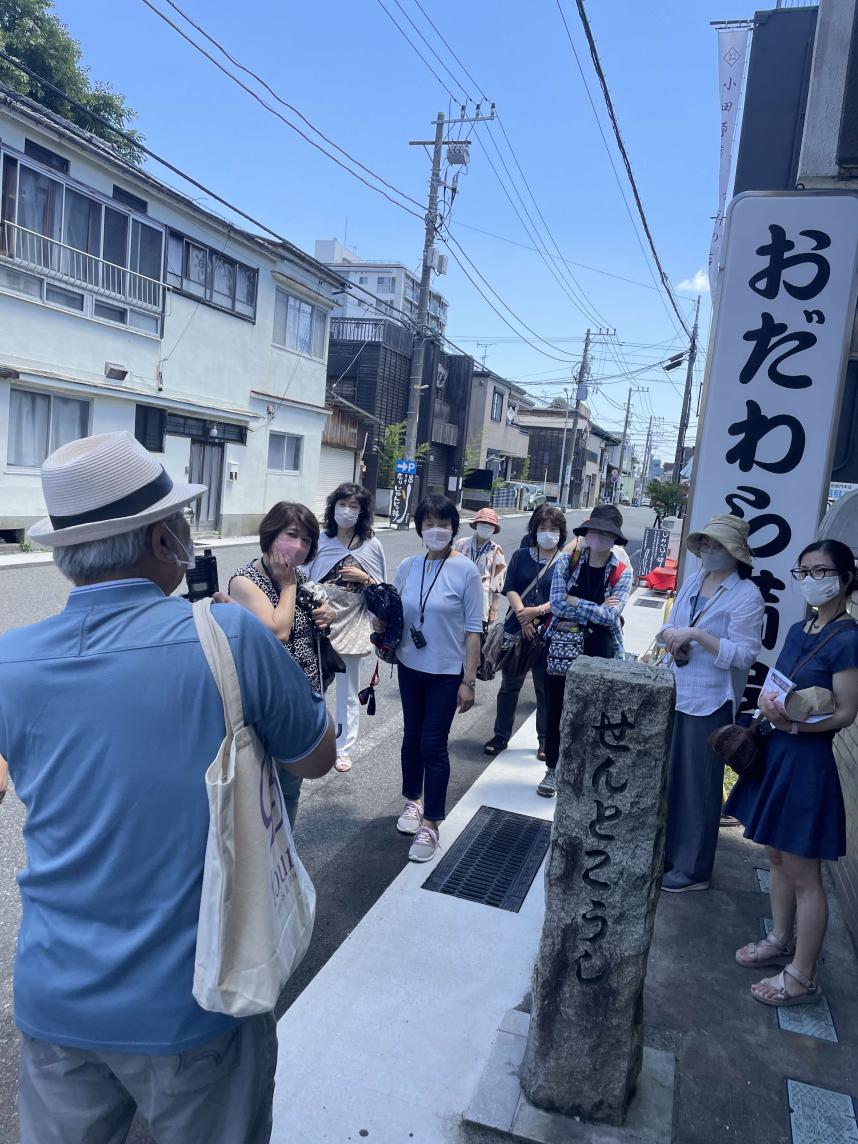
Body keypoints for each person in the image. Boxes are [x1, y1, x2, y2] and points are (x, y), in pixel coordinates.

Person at [0, 432, 335, 1144]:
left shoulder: (9, 661)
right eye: (180, 521)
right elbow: (315, 757)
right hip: (199, 1000)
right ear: (162, 538)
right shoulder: (233, 638)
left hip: (57, 998)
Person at [727, 538, 858, 1007]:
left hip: (806, 760)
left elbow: (845, 712)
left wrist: (797, 727)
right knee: (778, 858)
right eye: (803, 572)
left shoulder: (848, 637)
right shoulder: (803, 628)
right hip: (777, 751)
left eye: (820, 571)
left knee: (805, 874)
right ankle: (780, 939)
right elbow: (783, 683)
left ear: (845, 577)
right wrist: (770, 705)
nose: (810, 580)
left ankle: (802, 976)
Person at [657, 515, 764, 893]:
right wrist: (675, 637)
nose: (709, 551)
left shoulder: (746, 595)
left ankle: (694, 869)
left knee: (699, 786)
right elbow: (666, 627)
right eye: (705, 543)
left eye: (718, 546)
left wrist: (699, 635)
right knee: (671, 780)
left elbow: (744, 656)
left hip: (710, 700)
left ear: (736, 554)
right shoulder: (693, 579)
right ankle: (669, 854)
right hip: (676, 691)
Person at [228, 501, 335, 826]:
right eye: (292, 535)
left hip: (302, 698)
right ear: (271, 534)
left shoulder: (300, 578)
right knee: (260, 791)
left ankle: (284, 863)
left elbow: (310, 626)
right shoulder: (245, 581)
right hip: (267, 706)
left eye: (307, 540)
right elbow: (278, 632)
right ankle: (262, 863)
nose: (299, 546)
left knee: (290, 789)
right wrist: (287, 586)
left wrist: (325, 616)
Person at [391, 496, 483, 862]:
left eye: (443, 524)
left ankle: (431, 823)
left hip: (447, 673)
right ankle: (412, 801)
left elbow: (474, 630)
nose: (436, 530)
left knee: (433, 744)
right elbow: (396, 612)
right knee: (411, 738)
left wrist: (469, 680)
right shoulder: (408, 566)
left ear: (453, 528)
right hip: (410, 666)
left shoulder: (467, 571)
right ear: (419, 528)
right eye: (429, 522)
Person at [538, 505, 632, 798]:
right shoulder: (569, 561)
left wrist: (576, 603)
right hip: (563, 646)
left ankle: (585, 772)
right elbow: (556, 604)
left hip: (599, 649)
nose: (599, 538)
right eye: (595, 531)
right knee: (556, 710)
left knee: (593, 713)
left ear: (615, 539)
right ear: (586, 533)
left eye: (606, 533)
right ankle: (553, 769)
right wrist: (595, 609)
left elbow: (610, 617)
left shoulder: (621, 572)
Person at [305, 482, 386, 773]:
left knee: (348, 690)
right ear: (332, 507)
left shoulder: (372, 544)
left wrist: (363, 577)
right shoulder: (320, 541)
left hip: (353, 620)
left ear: (363, 511)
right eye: (342, 504)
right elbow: (303, 577)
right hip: (320, 619)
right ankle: (314, 740)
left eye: (354, 506)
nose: (347, 511)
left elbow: (382, 588)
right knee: (314, 684)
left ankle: (344, 749)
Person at [484, 505, 566, 760]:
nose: (548, 533)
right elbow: (510, 587)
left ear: (561, 532)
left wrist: (536, 612)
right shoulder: (521, 555)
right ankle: (500, 736)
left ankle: (545, 741)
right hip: (517, 631)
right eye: (543, 528)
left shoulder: (565, 561)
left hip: (548, 633)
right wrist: (523, 616)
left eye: (553, 529)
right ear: (534, 530)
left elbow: (565, 597)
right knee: (509, 687)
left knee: (544, 689)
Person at [454, 507, 507, 626]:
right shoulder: (461, 544)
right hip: (457, 595)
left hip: (481, 599)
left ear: (494, 529)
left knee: (474, 636)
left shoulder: (496, 550)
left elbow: (498, 582)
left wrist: (494, 609)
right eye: (483, 523)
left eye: (490, 525)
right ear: (476, 524)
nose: (486, 527)